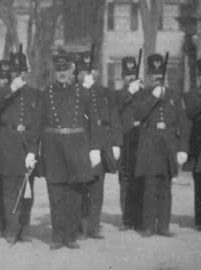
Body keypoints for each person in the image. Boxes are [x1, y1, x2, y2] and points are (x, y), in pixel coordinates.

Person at [39, 53, 101, 249]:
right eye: (58, 70)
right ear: (54, 72)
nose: (62, 73)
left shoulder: (83, 93)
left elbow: (94, 123)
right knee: (56, 194)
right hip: (54, 149)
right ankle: (58, 237)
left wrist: (95, 149)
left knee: (75, 196)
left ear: (72, 71)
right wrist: (33, 151)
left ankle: (71, 236)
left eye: (65, 69)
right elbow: (37, 124)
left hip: (77, 148)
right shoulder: (46, 93)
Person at [0, 49, 39, 244]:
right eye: (15, 72)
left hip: (27, 144)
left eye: (22, 71)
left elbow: (39, 123)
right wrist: (9, 89)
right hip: (7, 144)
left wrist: (33, 149)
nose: (19, 75)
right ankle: (11, 229)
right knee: (8, 190)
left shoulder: (34, 94)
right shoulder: (2, 93)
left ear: (26, 73)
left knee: (27, 190)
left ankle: (25, 229)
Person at [133, 53, 189, 237]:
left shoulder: (173, 95)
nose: (158, 77)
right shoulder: (143, 94)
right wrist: (153, 98)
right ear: (149, 75)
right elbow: (138, 114)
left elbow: (183, 123)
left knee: (165, 188)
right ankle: (149, 226)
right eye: (154, 74)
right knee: (149, 188)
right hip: (149, 147)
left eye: (160, 75)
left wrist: (182, 148)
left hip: (168, 147)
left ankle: (163, 226)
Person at [76, 51, 122, 240]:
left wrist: (116, 143)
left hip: (101, 141)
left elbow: (114, 119)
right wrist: (83, 90)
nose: (90, 74)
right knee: (79, 187)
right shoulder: (73, 91)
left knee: (97, 188)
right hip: (79, 142)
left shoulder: (105, 92)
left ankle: (93, 227)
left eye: (93, 69)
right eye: (85, 70)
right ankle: (79, 227)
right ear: (77, 73)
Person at [115, 56, 144, 231]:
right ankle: (126, 219)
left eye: (132, 73)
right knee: (125, 180)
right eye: (127, 74)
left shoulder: (144, 93)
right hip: (125, 140)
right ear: (122, 76)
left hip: (141, 140)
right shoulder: (119, 94)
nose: (130, 77)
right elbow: (116, 107)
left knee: (140, 179)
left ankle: (139, 219)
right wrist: (129, 92)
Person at [185, 59, 201, 231]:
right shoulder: (192, 94)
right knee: (200, 182)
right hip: (198, 144)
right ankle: (199, 219)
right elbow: (190, 112)